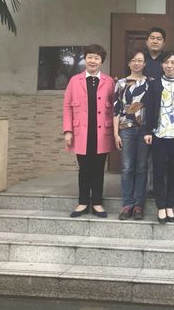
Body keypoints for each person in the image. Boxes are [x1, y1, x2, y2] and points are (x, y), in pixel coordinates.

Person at [63, 44, 114, 218]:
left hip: (102, 133)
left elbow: (115, 108)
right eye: (90, 57)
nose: (93, 60)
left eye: (97, 58)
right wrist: (68, 130)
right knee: (84, 168)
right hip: (81, 133)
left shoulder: (109, 81)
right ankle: (83, 202)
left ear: (102, 61)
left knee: (99, 168)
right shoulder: (74, 81)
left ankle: (97, 203)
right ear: (85, 59)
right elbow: (67, 107)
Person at [144, 52, 174, 223]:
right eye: (166, 63)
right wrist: (147, 131)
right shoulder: (154, 85)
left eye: (173, 62)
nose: (169, 66)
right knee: (158, 170)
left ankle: (170, 204)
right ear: (162, 66)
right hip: (159, 134)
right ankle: (161, 206)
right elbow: (149, 108)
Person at [113, 50, 152, 221]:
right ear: (129, 63)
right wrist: (116, 134)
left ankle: (138, 205)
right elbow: (116, 110)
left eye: (140, 60)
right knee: (127, 167)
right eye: (134, 60)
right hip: (126, 129)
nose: (137, 63)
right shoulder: (120, 83)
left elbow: (153, 108)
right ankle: (127, 204)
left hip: (144, 130)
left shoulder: (150, 82)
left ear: (144, 64)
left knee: (142, 167)